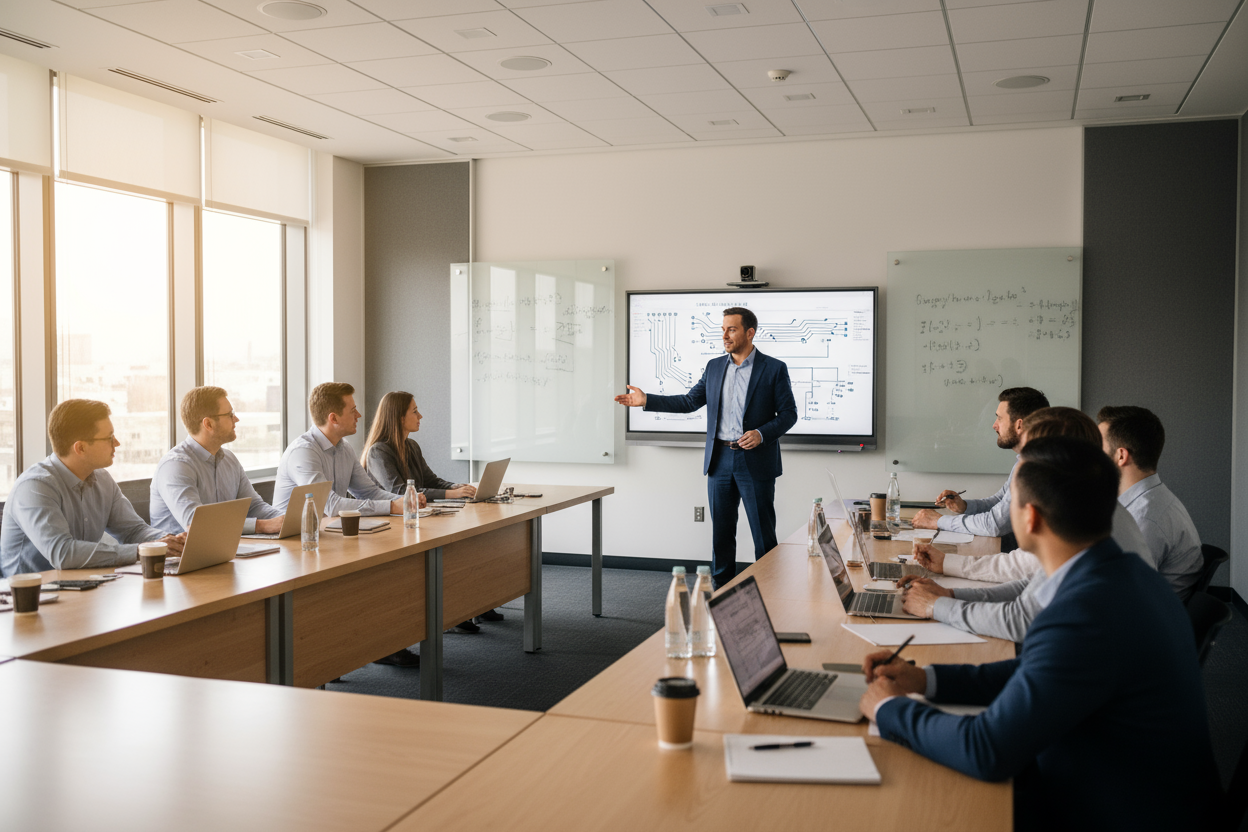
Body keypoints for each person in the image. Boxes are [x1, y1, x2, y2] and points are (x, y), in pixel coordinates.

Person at [859, 436, 1221, 831]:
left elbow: (987, 749)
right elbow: (1034, 671)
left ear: (1029, 518)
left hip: (1111, 812)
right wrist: (925, 679)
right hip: (1137, 791)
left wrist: (888, 708)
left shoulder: (1084, 610)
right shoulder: (1122, 573)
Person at [899, 407, 1154, 643]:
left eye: (1030, 451)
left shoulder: (1081, 518)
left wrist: (936, 605)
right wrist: (950, 596)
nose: (1023, 459)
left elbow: (1020, 619)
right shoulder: (1094, 504)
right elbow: (1033, 586)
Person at [614, 307, 796, 587]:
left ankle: (770, 591)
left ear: (750, 332)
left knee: (763, 533)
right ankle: (721, 594)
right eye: (722, 329)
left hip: (756, 461)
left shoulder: (773, 368)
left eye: (731, 329)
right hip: (719, 460)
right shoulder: (714, 367)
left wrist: (762, 433)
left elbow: (788, 414)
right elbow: (689, 402)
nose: (724, 335)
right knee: (721, 534)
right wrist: (647, 400)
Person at [274, 383, 418, 667]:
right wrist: (392, 507)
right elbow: (329, 506)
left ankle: (380, 642)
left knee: (386, 565)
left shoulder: (344, 448)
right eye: (352, 410)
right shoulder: (304, 452)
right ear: (333, 418)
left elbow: (370, 492)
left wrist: (406, 501)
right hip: (294, 544)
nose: (359, 415)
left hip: (329, 536)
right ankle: (339, 653)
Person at [1, 399, 185, 576]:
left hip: (81, 586)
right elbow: (62, 553)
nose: (117, 443)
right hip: (28, 598)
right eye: (109, 438)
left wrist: (173, 541)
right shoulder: (35, 486)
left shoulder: (102, 479)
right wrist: (142, 550)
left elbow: (133, 531)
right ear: (80, 448)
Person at [363, 391, 495, 632]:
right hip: (391, 526)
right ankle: (446, 614)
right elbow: (401, 491)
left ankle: (465, 607)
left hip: (417, 519)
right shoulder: (378, 451)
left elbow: (431, 480)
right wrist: (451, 495)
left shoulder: (411, 445)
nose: (420, 415)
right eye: (414, 411)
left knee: (463, 549)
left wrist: (458, 487)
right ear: (398, 417)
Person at [912, 387, 1049, 537]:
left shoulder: (1035, 466)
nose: (994, 425)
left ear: (1019, 425)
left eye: (1000, 418)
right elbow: (999, 501)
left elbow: (995, 524)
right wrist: (965, 506)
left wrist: (939, 521)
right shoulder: (1024, 460)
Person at [1098, 405, 1203, 600]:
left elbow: (1120, 595)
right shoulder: (1149, 501)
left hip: (1136, 622)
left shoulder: (1145, 518)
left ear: (1121, 455)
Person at [150, 386, 285, 535]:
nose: (236, 419)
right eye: (230, 414)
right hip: (181, 556)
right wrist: (261, 526)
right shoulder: (175, 466)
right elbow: (196, 522)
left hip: (224, 550)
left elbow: (254, 507)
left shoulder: (229, 459)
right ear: (208, 424)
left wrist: (288, 520)